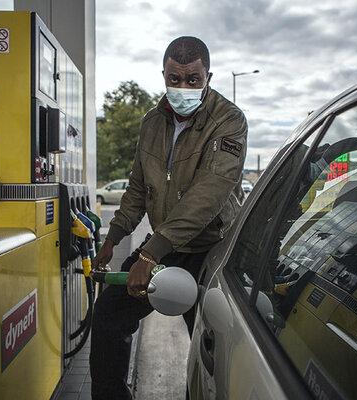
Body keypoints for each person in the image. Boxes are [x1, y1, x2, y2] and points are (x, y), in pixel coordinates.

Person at [89, 36, 248, 400]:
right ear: (163, 75)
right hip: (166, 246)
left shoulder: (229, 121)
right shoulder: (152, 123)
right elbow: (137, 188)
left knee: (212, 342)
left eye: (193, 80)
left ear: (209, 77)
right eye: (175, 79)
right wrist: (112, 239)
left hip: (213, 247)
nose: (183, 88)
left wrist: (149, 254)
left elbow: (209, 194)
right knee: (110, 314)